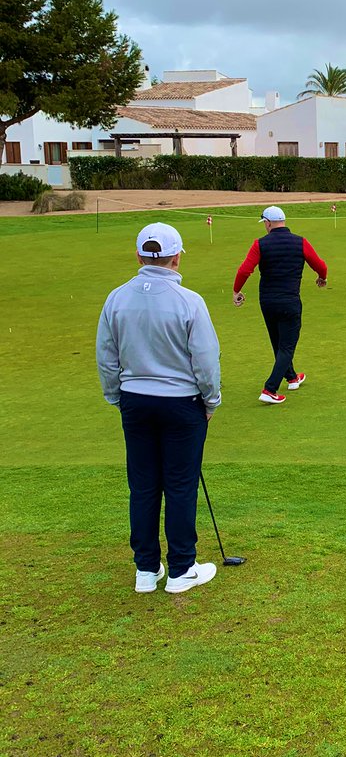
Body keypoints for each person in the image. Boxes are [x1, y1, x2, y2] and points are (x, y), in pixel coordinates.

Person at [96, 223, 221, 595]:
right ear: (177, 256)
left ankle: (146, 571)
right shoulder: (189, 301)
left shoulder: (116, 298)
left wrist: (117, 397)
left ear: (138, 256)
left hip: (135, 403)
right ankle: (181, 569)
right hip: (182, 405)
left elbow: (107, 357)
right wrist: (211, 401)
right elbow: (206, 361)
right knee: (180, 485)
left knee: (144, 486)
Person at [233, 206, 328, 404]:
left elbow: (244, 270)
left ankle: (292, 377)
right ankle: (270, 389)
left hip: (267, 301)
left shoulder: (260, 244)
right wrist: (321, 278)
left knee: (278, 343)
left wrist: (236, 291)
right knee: (287, 346)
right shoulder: (300, 242)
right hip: (290, 301)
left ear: (268, 223)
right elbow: (320, 265)